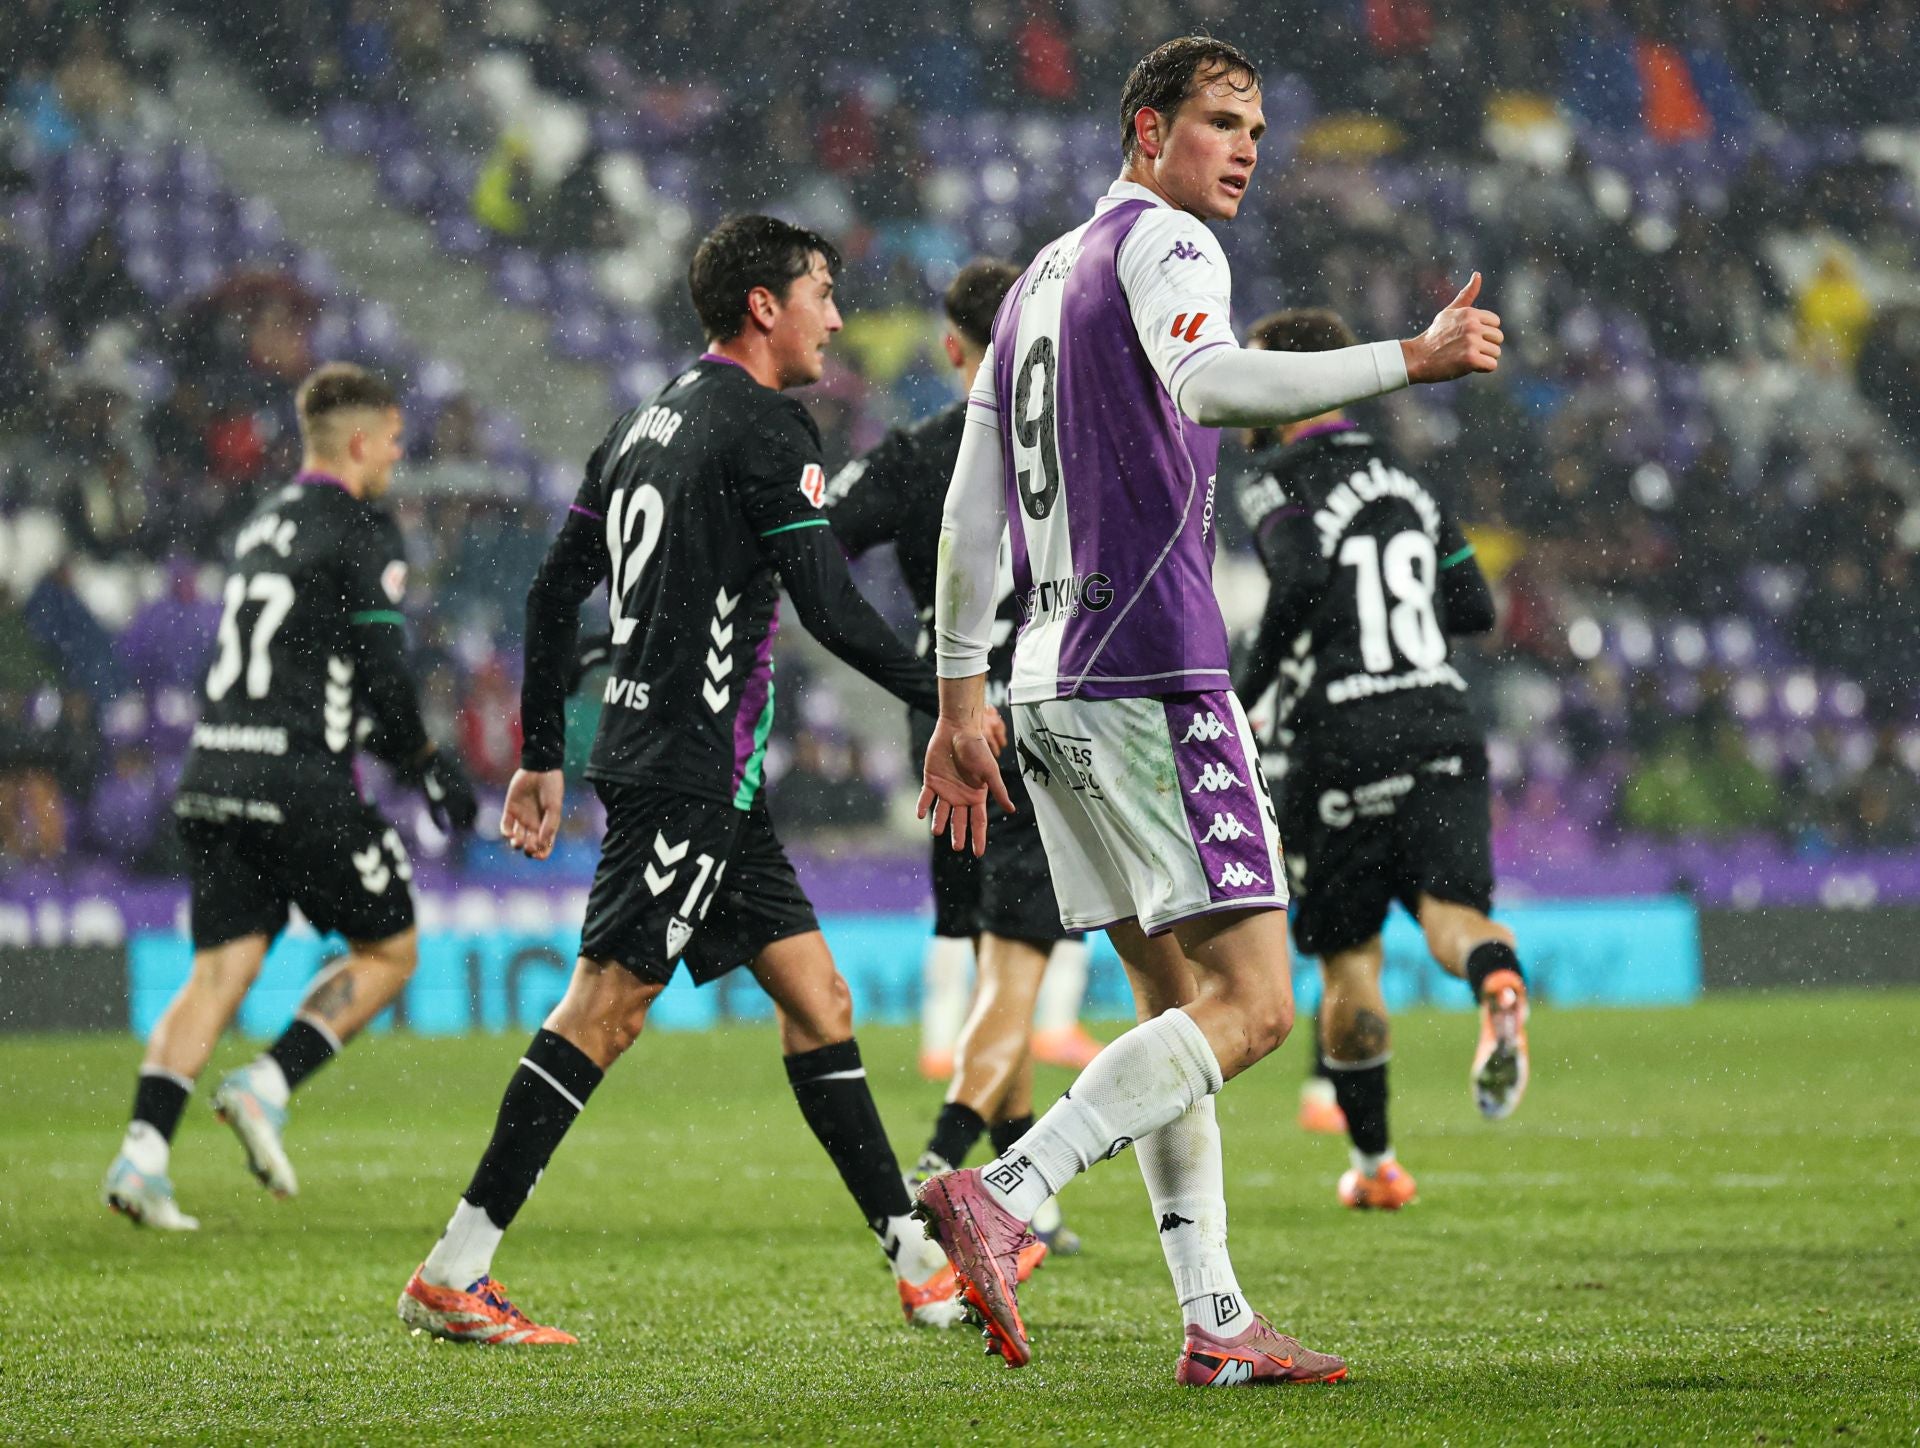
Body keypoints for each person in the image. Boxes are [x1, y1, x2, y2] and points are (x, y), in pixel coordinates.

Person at [915, 35, 1503, 1381]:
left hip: (1042, 677)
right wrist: (1407, 357)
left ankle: (1216, 1319)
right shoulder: (1167, 246)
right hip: (1152, 670)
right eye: (1220, 122)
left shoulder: (1036, 284)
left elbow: (969, 506)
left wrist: (962, 693)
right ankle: (1006, 1192)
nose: (1243, 148)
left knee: (1168, 1005)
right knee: (1253, 1007)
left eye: (1255, 128)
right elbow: (1213, 384)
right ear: (1146, 129)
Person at [397, 215, 992, 1346]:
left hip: (699, 773)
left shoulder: (642, 419)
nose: (835, 314)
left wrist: (540, 750)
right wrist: (953, 694)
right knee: (606, 1009)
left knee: (820, 999)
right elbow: (826, 601)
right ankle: (455, 1266)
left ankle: (917, 1262)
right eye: (821, 291)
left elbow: (546, 595)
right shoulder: (769, 426)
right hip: (685, 769)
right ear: (764, 305)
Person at [102, 363, 479, 1231]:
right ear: (357, 441)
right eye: (391, 438)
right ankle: (266, 1085)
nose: (397, 453)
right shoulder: (361, 528)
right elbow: (381, 670)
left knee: (219, 970)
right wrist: (426, 759)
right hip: (299, 777)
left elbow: (302, 661)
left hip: (215, 772)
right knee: (390, 951)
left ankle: (142, 1155)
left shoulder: (261, 524)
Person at [1233, 307, 1531, 1213]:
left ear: (1289, 383)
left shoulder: (1270, 480)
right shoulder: (1408, 477)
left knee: (1349, 960)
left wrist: (1243, 696)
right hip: (1441, 721)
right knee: (1453, 920)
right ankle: (1498, 982)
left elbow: (1298, 576)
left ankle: (1376, 1168)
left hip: (1345, 740)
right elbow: (1475, 606)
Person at [824, 258, 1091, 1256]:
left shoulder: (920, 450)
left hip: (946, 715)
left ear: (952, 348)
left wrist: (901, 662)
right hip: (1046, 712)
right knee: (1019, 953)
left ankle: (1023, 1193)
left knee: (993, 950)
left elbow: (815, 544)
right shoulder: (1076, 442)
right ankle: (942, 1167)